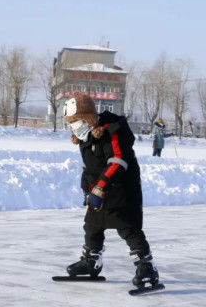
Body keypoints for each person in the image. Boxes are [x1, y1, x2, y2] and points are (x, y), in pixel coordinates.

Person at [63, 92, 159, 288]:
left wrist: (100, 187)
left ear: (87, 118)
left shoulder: (111, 131)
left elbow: (117, 161)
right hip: (101, 189)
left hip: (122, 188)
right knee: (92, 226)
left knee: (128, 227)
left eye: (76, 121)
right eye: (71, 122)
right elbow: (90, 169)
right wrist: (87, 189)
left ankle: (147, 267)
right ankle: (92, 262)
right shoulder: (86, 139)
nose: (73, 126)